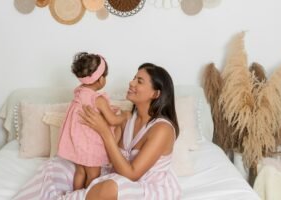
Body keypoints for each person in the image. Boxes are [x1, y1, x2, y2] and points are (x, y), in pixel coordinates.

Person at [13, 63, 182, 200]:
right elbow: (108, 156)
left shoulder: (162, 129)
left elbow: (132, 174)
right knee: (58, 166)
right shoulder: (127, 118)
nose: (131, 83)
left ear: (156, 93)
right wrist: (91, 131)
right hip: (117, 174)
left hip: (144, 186)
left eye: (139, 81)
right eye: (133, 78)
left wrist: (104, 131)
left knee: (110, 187)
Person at [58, 52, 127, 190]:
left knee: (80, 172)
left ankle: (76, 195)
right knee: (93, 174)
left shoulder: (78, 93)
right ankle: (87, 196)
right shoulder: (98, 99)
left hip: (76, 143)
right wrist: (125, 116)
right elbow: (112, 120)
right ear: (101, 79)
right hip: (89, 146)